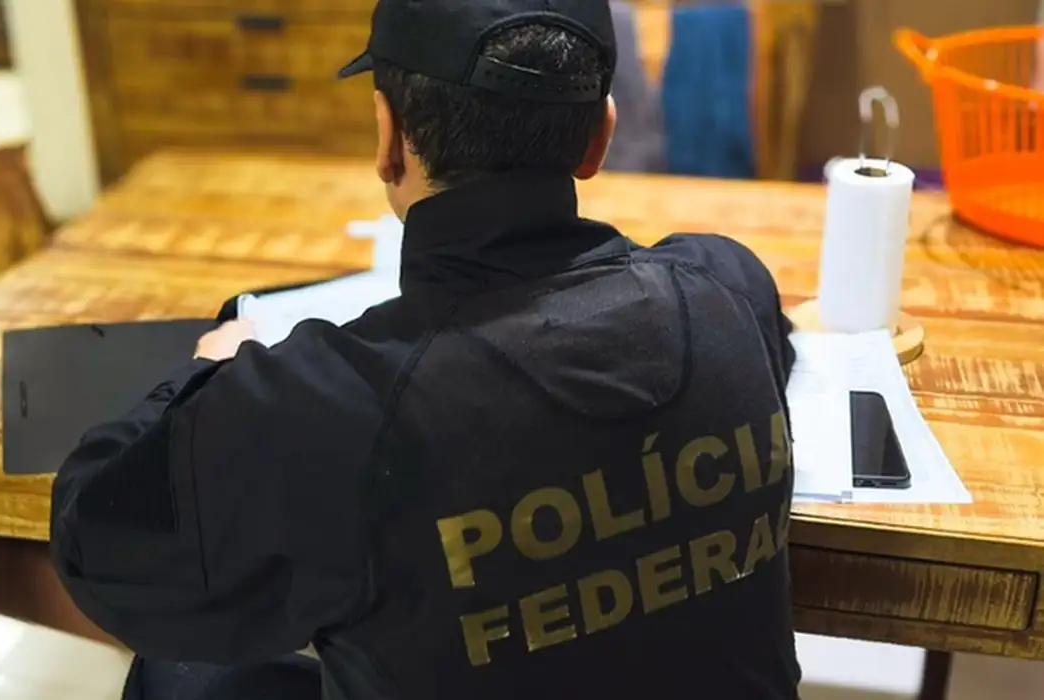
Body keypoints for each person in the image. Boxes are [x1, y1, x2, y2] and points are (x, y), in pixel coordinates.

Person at [50, 1, 801, 698]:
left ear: (388, 139)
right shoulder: (727, 286)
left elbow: (95, 542)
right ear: (600, 137)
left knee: (178, 673)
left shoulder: (331, 405)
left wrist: (208, 369)